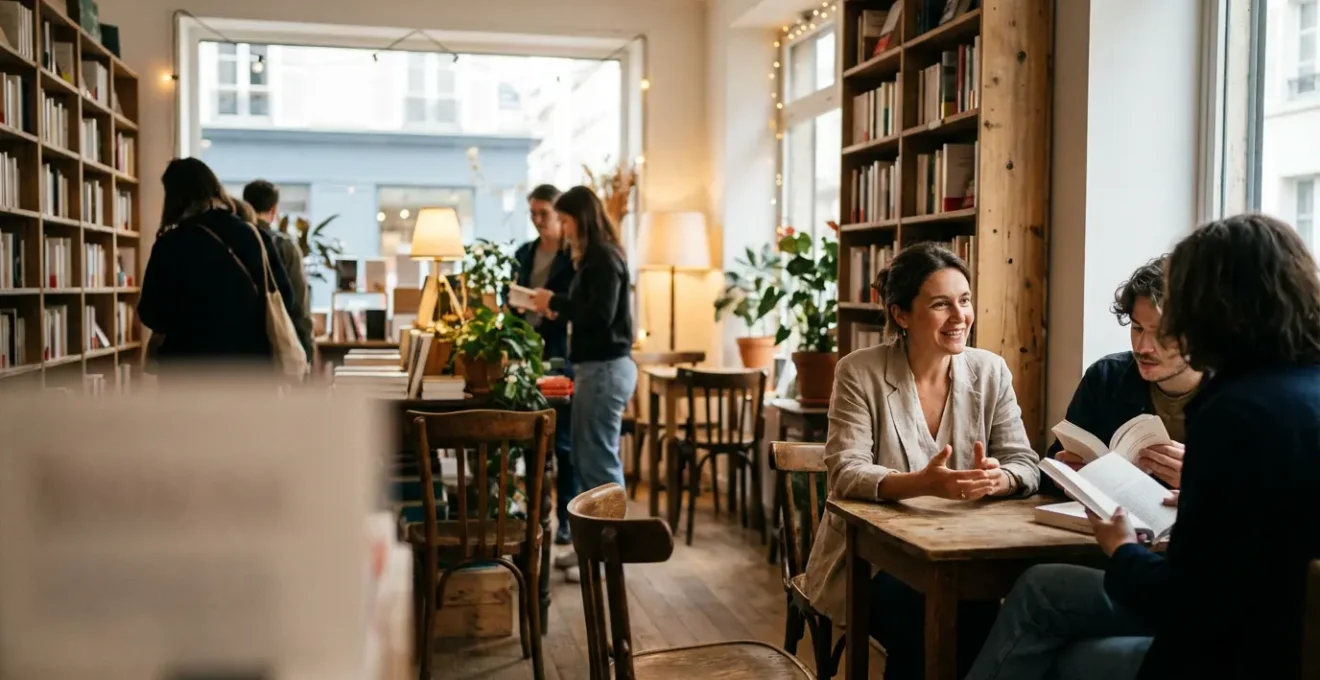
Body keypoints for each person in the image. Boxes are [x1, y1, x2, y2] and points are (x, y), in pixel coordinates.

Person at [965, 213, 1320, 680]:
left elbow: (1181, 601)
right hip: (1288, 635)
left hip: (1233, 651)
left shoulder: (1234, 413)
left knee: (1056, 639)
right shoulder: (1305, 387)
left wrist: (1122, 548)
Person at [800, 243, 1040, 680]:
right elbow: (846, 472)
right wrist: (923, 483)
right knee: (924, 619)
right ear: (901, 315)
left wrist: (1000, 479)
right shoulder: (859, 371)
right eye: (941, 304)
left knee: (989, 620)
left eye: (964, 301)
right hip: (872, 562)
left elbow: (1026, 461)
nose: (960, 316)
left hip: (964, 554)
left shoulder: (991, 372)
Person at [528, 186, 636, 577]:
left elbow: (600, 315)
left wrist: (554, 303)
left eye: (567, 220)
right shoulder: (594, 258)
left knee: (601, 465)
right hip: (595, 368)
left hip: (605, 369)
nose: (564, 227)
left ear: (580, 218)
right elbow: (592, 311)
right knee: (588, 465)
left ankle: (612, 554)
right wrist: (561, 308)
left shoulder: (603, 258)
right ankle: (591, 547)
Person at [138, 158, 303, 379]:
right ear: (215, 187)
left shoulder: (170, 243)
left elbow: (151, 314)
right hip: (251, 371)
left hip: (186, 373)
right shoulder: (254, 236)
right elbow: (286, 298)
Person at [1049, 257, 1203, 487]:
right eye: (1137, 328)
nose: (1142, 347)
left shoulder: (1242, 391)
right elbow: (1054, 469)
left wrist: (1206, 484)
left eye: (1162, 334)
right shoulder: (1105, 378)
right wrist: (1066, 474)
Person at [513, 184, 577, 547]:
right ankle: (534, 509)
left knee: (563, 438)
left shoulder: (572, 257)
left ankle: (566, 517)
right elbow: (514, 296)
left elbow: (574, 302)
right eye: (533, 214)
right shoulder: (524, 253)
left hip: (560, 351)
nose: (538, 221)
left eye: (544, 214)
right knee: (530, 431)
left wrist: (552, 305)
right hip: (526, 349)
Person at [244, 180, 315, 363]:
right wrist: (307, 352)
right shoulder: (284, 246)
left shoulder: (231, 241)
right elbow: (299, 305)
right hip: (277, 347)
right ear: (274, 210)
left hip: (237, 349)